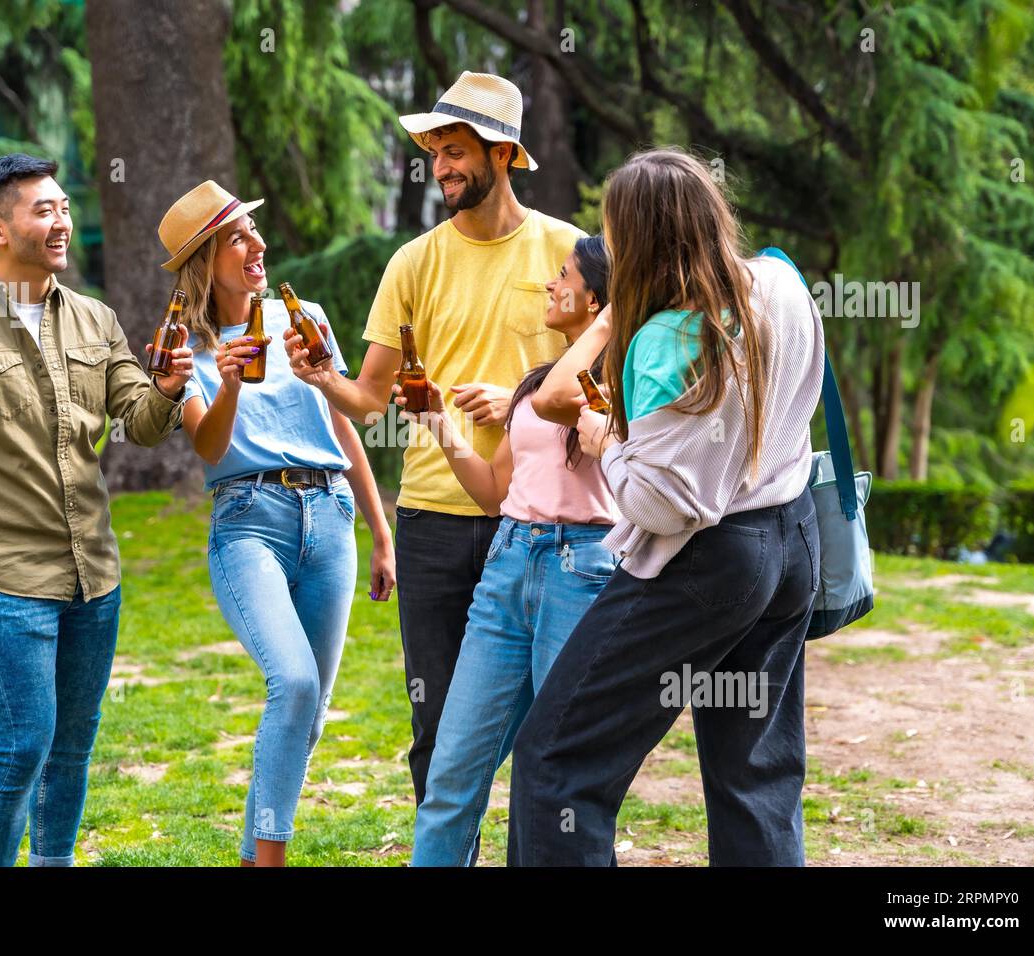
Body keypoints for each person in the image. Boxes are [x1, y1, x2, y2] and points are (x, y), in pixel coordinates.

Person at [508, 147, 826, 866]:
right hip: (793, 544)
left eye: (613, 231)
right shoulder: (780, 282)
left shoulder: (662, 341)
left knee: (556, 760)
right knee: (756, 776)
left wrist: (602, 436)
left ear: (639, 237)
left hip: (708, 566)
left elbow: (660, 503)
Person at [285, 72, 585, 813]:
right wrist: (324, 377)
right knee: (439, 722)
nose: (442, 168)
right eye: (435, 154)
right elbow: (370, 397)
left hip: (545, 520)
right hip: (435, 521)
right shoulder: (414, 262)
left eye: (457, 152)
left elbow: (600, 373)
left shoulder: (568, 250)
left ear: (504, 153)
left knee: (554, 721)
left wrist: (522, 400)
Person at [0, 153, 193, 867]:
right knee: (23, 745)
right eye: (43, 210)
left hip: (95, 575)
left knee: (74, 747)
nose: (61, 221)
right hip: (4, 579)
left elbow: (140, 424)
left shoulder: (95, 318)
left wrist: (169, 387)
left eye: (62, 207)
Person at [160, 181, 395, 867]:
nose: (258, 246)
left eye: (254, 233)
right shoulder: (182, 348)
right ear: (206, 258)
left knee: (310, 713)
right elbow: (208, 447)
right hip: (248, 522)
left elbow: (343, 426)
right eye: (238, 237)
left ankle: (252, 854)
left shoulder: (304, 316)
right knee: (291, 684)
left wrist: (381, 534)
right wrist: (229, 381)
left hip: (329, 517)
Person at [401, 235, 619, 866]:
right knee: (451, 769)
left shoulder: (621, 378)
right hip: (507, 562)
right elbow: (496, 493)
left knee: (555, 772)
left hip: (581, 570)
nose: (551, 285)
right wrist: (438, 421)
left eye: (563, 275)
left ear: (597, 300)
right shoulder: (537, 382)